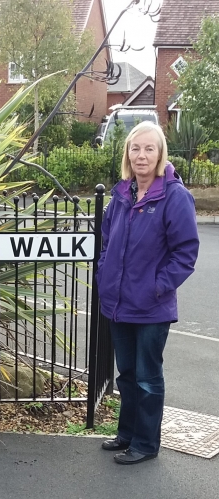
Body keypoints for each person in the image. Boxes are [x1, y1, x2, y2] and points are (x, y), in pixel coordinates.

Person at [96, 121, 199, 465]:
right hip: (119, 305)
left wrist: (158, 286)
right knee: (126, 375)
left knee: (148, 378)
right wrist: (104, 275)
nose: (141, 155)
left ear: (160, 154)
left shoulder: (174, 196)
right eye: (135, 148)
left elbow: (185, 253)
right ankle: (126, 433)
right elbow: (106, 242)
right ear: (127, 153)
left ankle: (145, 443)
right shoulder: (121, 194)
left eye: (148, 148)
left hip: (152, 308)